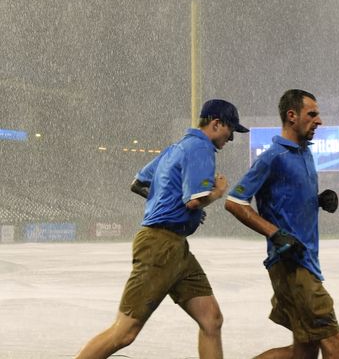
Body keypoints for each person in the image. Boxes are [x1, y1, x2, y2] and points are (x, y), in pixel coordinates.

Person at [74, 99, 249, 359]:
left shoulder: (176, 147)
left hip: (175, 246)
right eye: (230, 129)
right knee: (125, 331)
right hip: (160, 246)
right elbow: (193, 201)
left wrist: (168, 204)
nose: (231, 138)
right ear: (216, 124)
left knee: (211, 319)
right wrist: (217, 193)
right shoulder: (201, 148)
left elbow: (138, 183)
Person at [225, 89, 339, 359]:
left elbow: (286, 199)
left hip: (306, 263)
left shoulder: (304, 153)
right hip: (292, 267)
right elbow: (234, 201)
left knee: (303, 352)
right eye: (312, 114)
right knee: (335, 344)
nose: (319, 121)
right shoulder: (273, 157)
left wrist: (317, 201)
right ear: (292, 116)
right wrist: (275, 233)